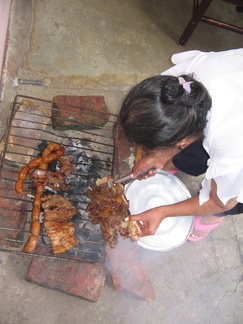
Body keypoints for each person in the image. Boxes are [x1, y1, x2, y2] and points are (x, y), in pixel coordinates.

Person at [119, 48, 243, 241]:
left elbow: (221, 202)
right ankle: (176, 163)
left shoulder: (232, 151)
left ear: (181, 142)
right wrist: (158, 156)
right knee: (201, 149)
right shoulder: (179, 87)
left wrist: (163, 211)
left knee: (231, 198)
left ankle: (210, 220)